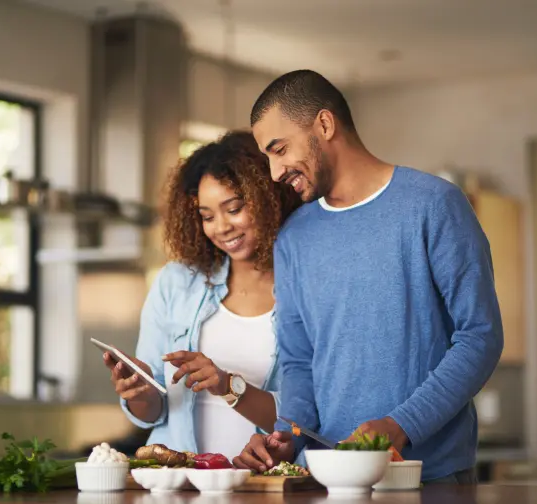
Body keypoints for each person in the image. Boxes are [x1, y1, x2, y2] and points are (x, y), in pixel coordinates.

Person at [233, 70, 504, 484]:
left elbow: (480, 336)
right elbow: (299, 361)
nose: (274, 172)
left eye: (279, 149)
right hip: (328, 480)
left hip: (430, 478)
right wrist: (287, 434)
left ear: (324, 125)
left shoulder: (434, 206)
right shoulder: (293, 239)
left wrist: (401, 425)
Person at [103, 130, 300, 459]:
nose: (221, 227)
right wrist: (138, 391)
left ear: (270, 197)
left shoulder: (305, 287)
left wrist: (227, 385)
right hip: (180, 484)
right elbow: (154, 410)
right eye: (207, 216)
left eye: (234, 209)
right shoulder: (176, 283)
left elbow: (302, 421)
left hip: (261, 483)